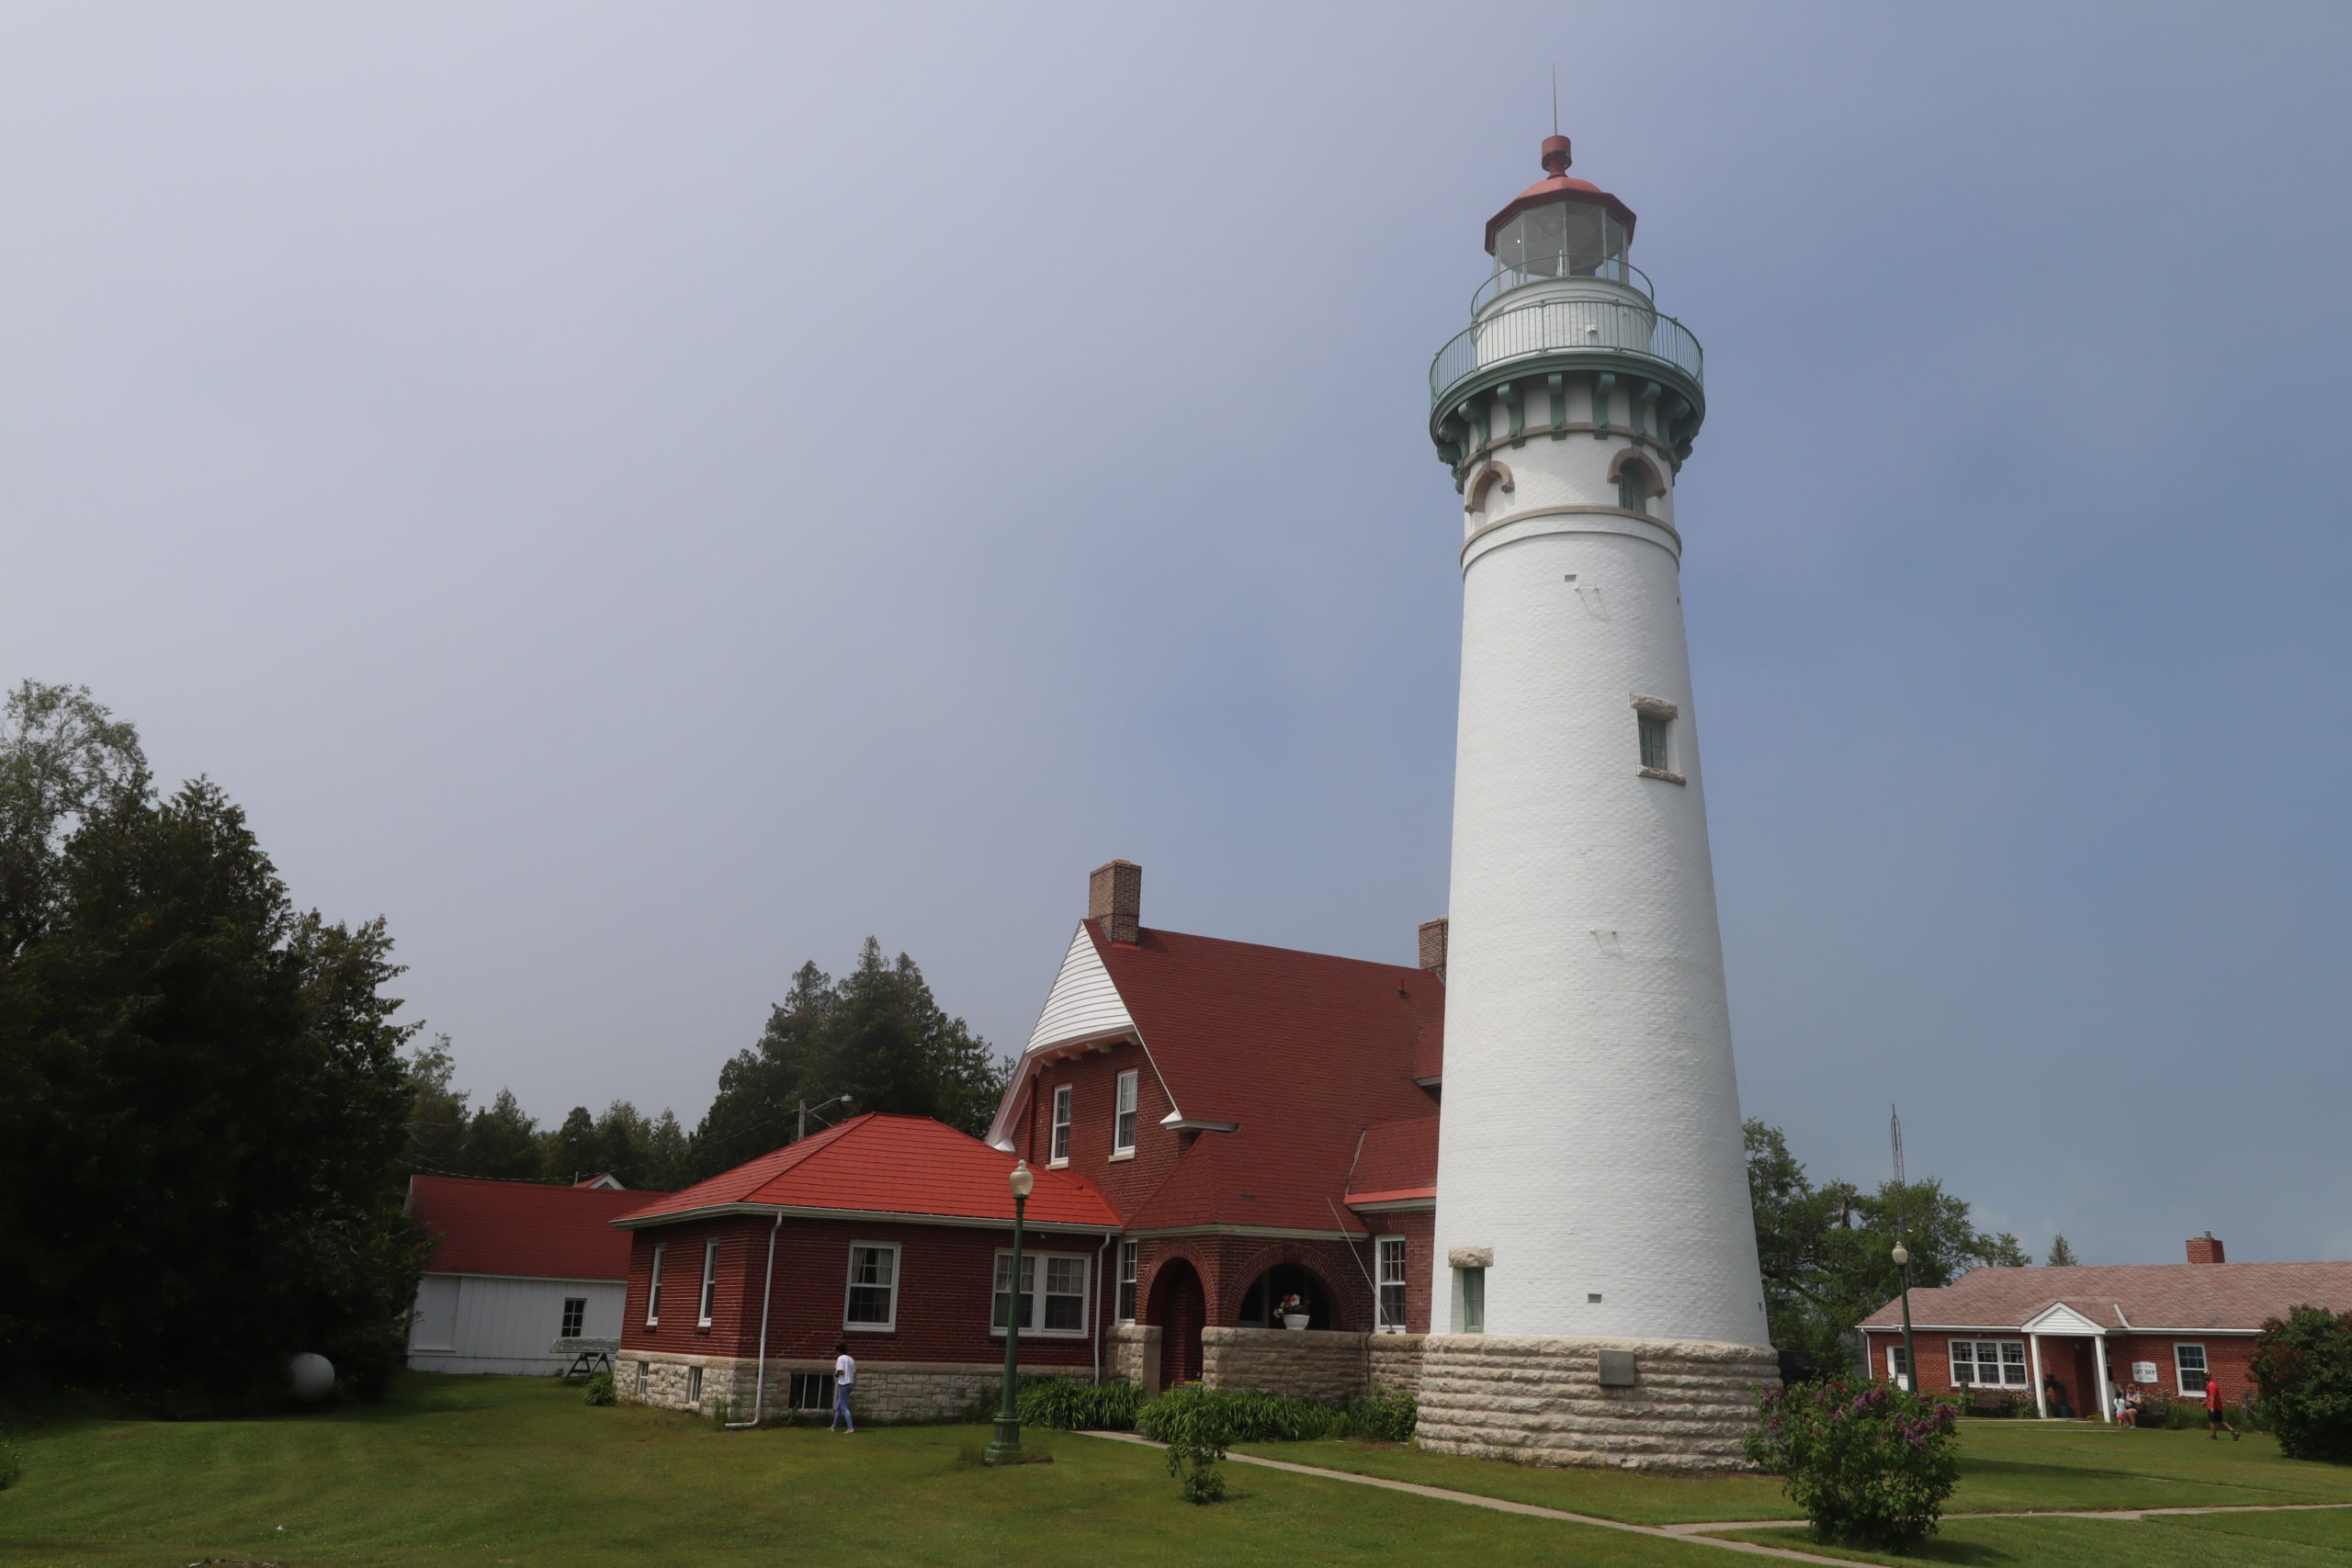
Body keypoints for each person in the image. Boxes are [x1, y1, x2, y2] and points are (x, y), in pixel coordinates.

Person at [2205, 1373, 2240, 1441]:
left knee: (2212, 1421)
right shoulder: (2209, 1385)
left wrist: (2212, 1407)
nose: (2205, 1377)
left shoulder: (2211, 1385)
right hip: (2215, 1405)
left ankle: (2213, 1436)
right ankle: (2234, 1433)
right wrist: (2205, 1401)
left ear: (2210, 1376)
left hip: (2214, 1406)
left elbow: (2213, 1396)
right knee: (2220, 1420)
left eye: (2206, 1375)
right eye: (2204, 1375)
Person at [831, 1340, 856, 1434]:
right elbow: (853, 1372)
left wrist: (836, 1374)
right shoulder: (851, 1359)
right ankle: (833, 1427)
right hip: (850, 1384)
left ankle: (850, 1428)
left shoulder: (840, 1358)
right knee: (838, 1407)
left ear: (838, 1351)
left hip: (843, 1385)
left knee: (843, 1407)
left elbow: (841, 1371)